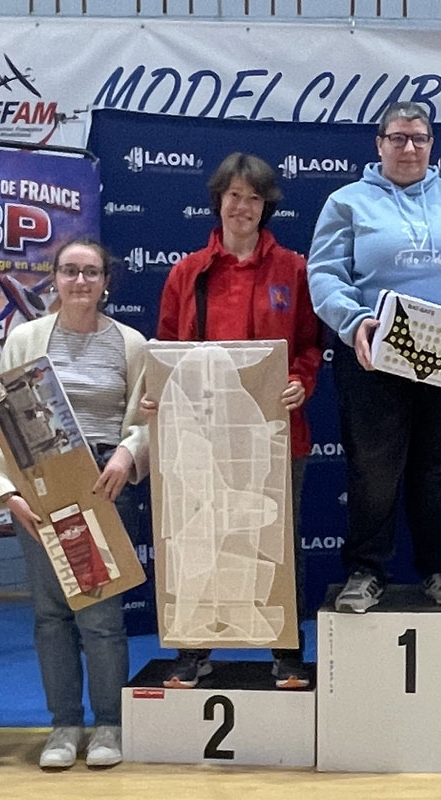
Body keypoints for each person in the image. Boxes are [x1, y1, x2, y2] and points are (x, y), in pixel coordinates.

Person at [307, 101, 441, 613]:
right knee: (374, 469)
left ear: (432, 145)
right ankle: (366, 571)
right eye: (397, 138)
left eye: (419, 138)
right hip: (374, 352)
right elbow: (325, 274)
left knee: (436, 468)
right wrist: (354, 321)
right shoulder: (346, 202)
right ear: (379, 144)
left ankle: (438, 568)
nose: (409, 147)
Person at [146, 152, 322, 689]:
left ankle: (286, 651)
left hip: (275, 433)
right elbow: (167, 349)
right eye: (234, 195)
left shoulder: (293, 269)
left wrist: (301, 382)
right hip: (201, 434)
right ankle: (192, 648)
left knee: (275, 542)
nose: (242, 207)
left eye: (253, 198)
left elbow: (310, 346)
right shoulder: (188, 272)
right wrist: (161, 395)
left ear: (266, 206)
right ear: (218, 200)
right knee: (198, 535)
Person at [0, 238, 150, 770]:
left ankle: (109, 724)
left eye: (91, 272)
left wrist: (128, 453)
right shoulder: (25, 339)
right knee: (51, 614)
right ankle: (64, 724)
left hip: (103, 483)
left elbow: (147, 417)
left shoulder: (131, 344)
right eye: (70, 271)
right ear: (54, 279)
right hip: (42, 483)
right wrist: (8, 491)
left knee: (100, 613)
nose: (81, 281)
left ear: (106, 282)